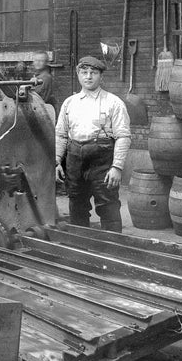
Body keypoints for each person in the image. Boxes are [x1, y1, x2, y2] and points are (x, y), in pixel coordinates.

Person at [54, 55, 131, 232]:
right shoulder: (69, 103)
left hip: (102, 161)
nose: (88, 76)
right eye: (84, 72)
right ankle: (80, 251)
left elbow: (123, 136)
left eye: (93, 72)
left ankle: (112, 250)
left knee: (108, 204)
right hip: (74, 160)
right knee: (76, 204)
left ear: (101, 77)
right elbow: (61, 134)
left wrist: (117, 167)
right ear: (78, 75)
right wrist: (57, 160)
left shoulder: (113, 103)